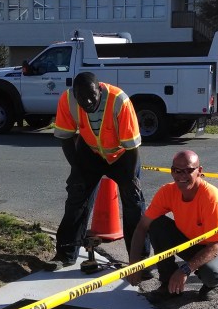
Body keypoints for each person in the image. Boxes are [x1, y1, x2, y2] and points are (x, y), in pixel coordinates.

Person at [49, 72, 150, 267]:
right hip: (90, 151)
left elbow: (131, 147)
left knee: (134, 203)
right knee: (76, 198)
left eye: (91, 96)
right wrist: (77, 170)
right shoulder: (67, 99)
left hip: (123, 156)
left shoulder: (120, 101)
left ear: (100, 90)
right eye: (81, 97)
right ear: (74, 93)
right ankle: (65, 255)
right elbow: (66, 138)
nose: (86, 102)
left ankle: (139, 261)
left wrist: (130, 180)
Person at [126, 150, 218, 301]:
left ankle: (213, 284)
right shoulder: (167, 191)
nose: (182, 175)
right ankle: (168, 283)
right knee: (157, 225)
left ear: (199, 171)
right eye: (177, 171)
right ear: (172, 171)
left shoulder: (212, 199)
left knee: (211, 273)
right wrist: (134, 265)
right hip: (191, 241)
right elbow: (142, 227)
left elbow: (213, 247)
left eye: (188, 170)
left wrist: (184, 270)